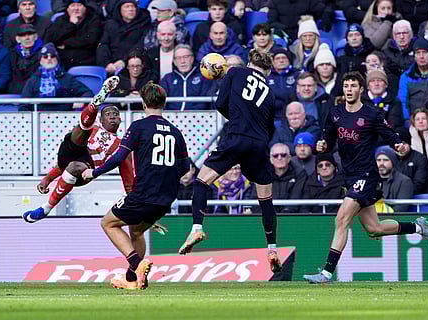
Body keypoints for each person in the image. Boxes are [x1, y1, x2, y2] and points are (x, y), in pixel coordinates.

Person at [303, 71, 428, 284]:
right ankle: (418, 227)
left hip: (367, 175)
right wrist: (322, 146)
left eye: (353, 86)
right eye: (346, 86)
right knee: (374, 229)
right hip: (349, 176)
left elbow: (390, 134)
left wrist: (399, 144)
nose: (349, 89)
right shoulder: (335, 113)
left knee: (341, 218)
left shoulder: (371, 114)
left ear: (361, 90)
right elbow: (327, 141)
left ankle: (326, 274)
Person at [178, 49, 283, 273]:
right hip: (259, 144)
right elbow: (270, 127)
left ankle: (197, 228)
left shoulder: (235, 72)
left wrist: (237, 116)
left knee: (201, 181)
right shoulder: (270, 92)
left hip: (236, 137)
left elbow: (220, 103)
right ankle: (272, 248)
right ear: (268, 70)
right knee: (266, 200)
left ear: (249, 63)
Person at [81, 82, 190, 290]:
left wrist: (93, 172)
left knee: (108, 223)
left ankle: (136, 264)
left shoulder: (139, 127)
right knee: (137, 231)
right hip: (166, 198)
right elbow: (185, 168)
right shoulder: (176, 132)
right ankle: (135, 279)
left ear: (143, 103)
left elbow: (119, 157)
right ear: (164, 103)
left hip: (143, 194)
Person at [22, 75, 134, 222]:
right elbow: (61, 166)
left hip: (86, 169)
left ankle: (46, 209)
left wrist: (135, 207)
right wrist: (47, 179)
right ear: (101, 120)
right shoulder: (94, 129)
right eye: (108, 114)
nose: (112, 116)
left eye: (115, 114)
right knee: (81, 130)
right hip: (72, 151)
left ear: (120, 120)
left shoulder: (122, 146)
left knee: (75, 165)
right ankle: (97, 101)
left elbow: (128, 180)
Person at [20, 42, 93, 111]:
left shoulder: (67, 78)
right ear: (40, 60)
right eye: (45, 56)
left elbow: (87, 93)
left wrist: (81, 101)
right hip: (38, 120)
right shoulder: (33, 80)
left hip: (64, 119)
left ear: (57, 59)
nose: (49, 59)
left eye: (52, 56)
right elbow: (23, 106)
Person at [44, 0, 103, 71]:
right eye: (73, 6)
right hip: (63, 62)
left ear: (85, 8)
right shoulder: (60, 20)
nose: (76, 8)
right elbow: (50, 39)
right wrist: (71, 25)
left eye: (79, 5)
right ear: (67, 9)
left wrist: (65, 44)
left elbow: (91, 40)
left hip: (86, 62)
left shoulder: (94, 19)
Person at [96, 0, 152, 75]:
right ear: (120, 10)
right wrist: (107, 63)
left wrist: (124, 61)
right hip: (111, 65)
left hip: (134, 63)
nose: (131, 9)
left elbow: (141, 45)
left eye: (133, 6)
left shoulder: (144, 23)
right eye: (127, 6)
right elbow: (103, 44)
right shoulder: (111, 24)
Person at [160, 44, 215, 110]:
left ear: (192, 58)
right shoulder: (167, 79)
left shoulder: (203, 77)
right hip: (171, 116)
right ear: (174, 61)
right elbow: (162, 103)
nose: (182, 61)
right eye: (178, 58)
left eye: (186, 57)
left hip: (198, 116)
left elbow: (204, 103)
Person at [376, 145, 414, 212]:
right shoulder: (369, 180)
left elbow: (401, 208)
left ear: (393, 162)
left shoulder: (405, 182)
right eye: (378, 160)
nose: (381, 163)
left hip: (393, 220)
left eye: (386, 160)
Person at [8, 24, 44, 94]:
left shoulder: (44, 53)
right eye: (23, 35)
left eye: (30, 34)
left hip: (36, 92)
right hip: (15, 92)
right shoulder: (11, 54)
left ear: (35, 36)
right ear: (17, 39)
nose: (27, 38)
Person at [394, 126, 428, 195]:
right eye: (397, 144)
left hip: (413, 198)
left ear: (409, 144)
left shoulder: (420, 158)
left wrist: (401, 194)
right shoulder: (388, 158)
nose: (400, 147)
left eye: (403, 143)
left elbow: (419, 183)